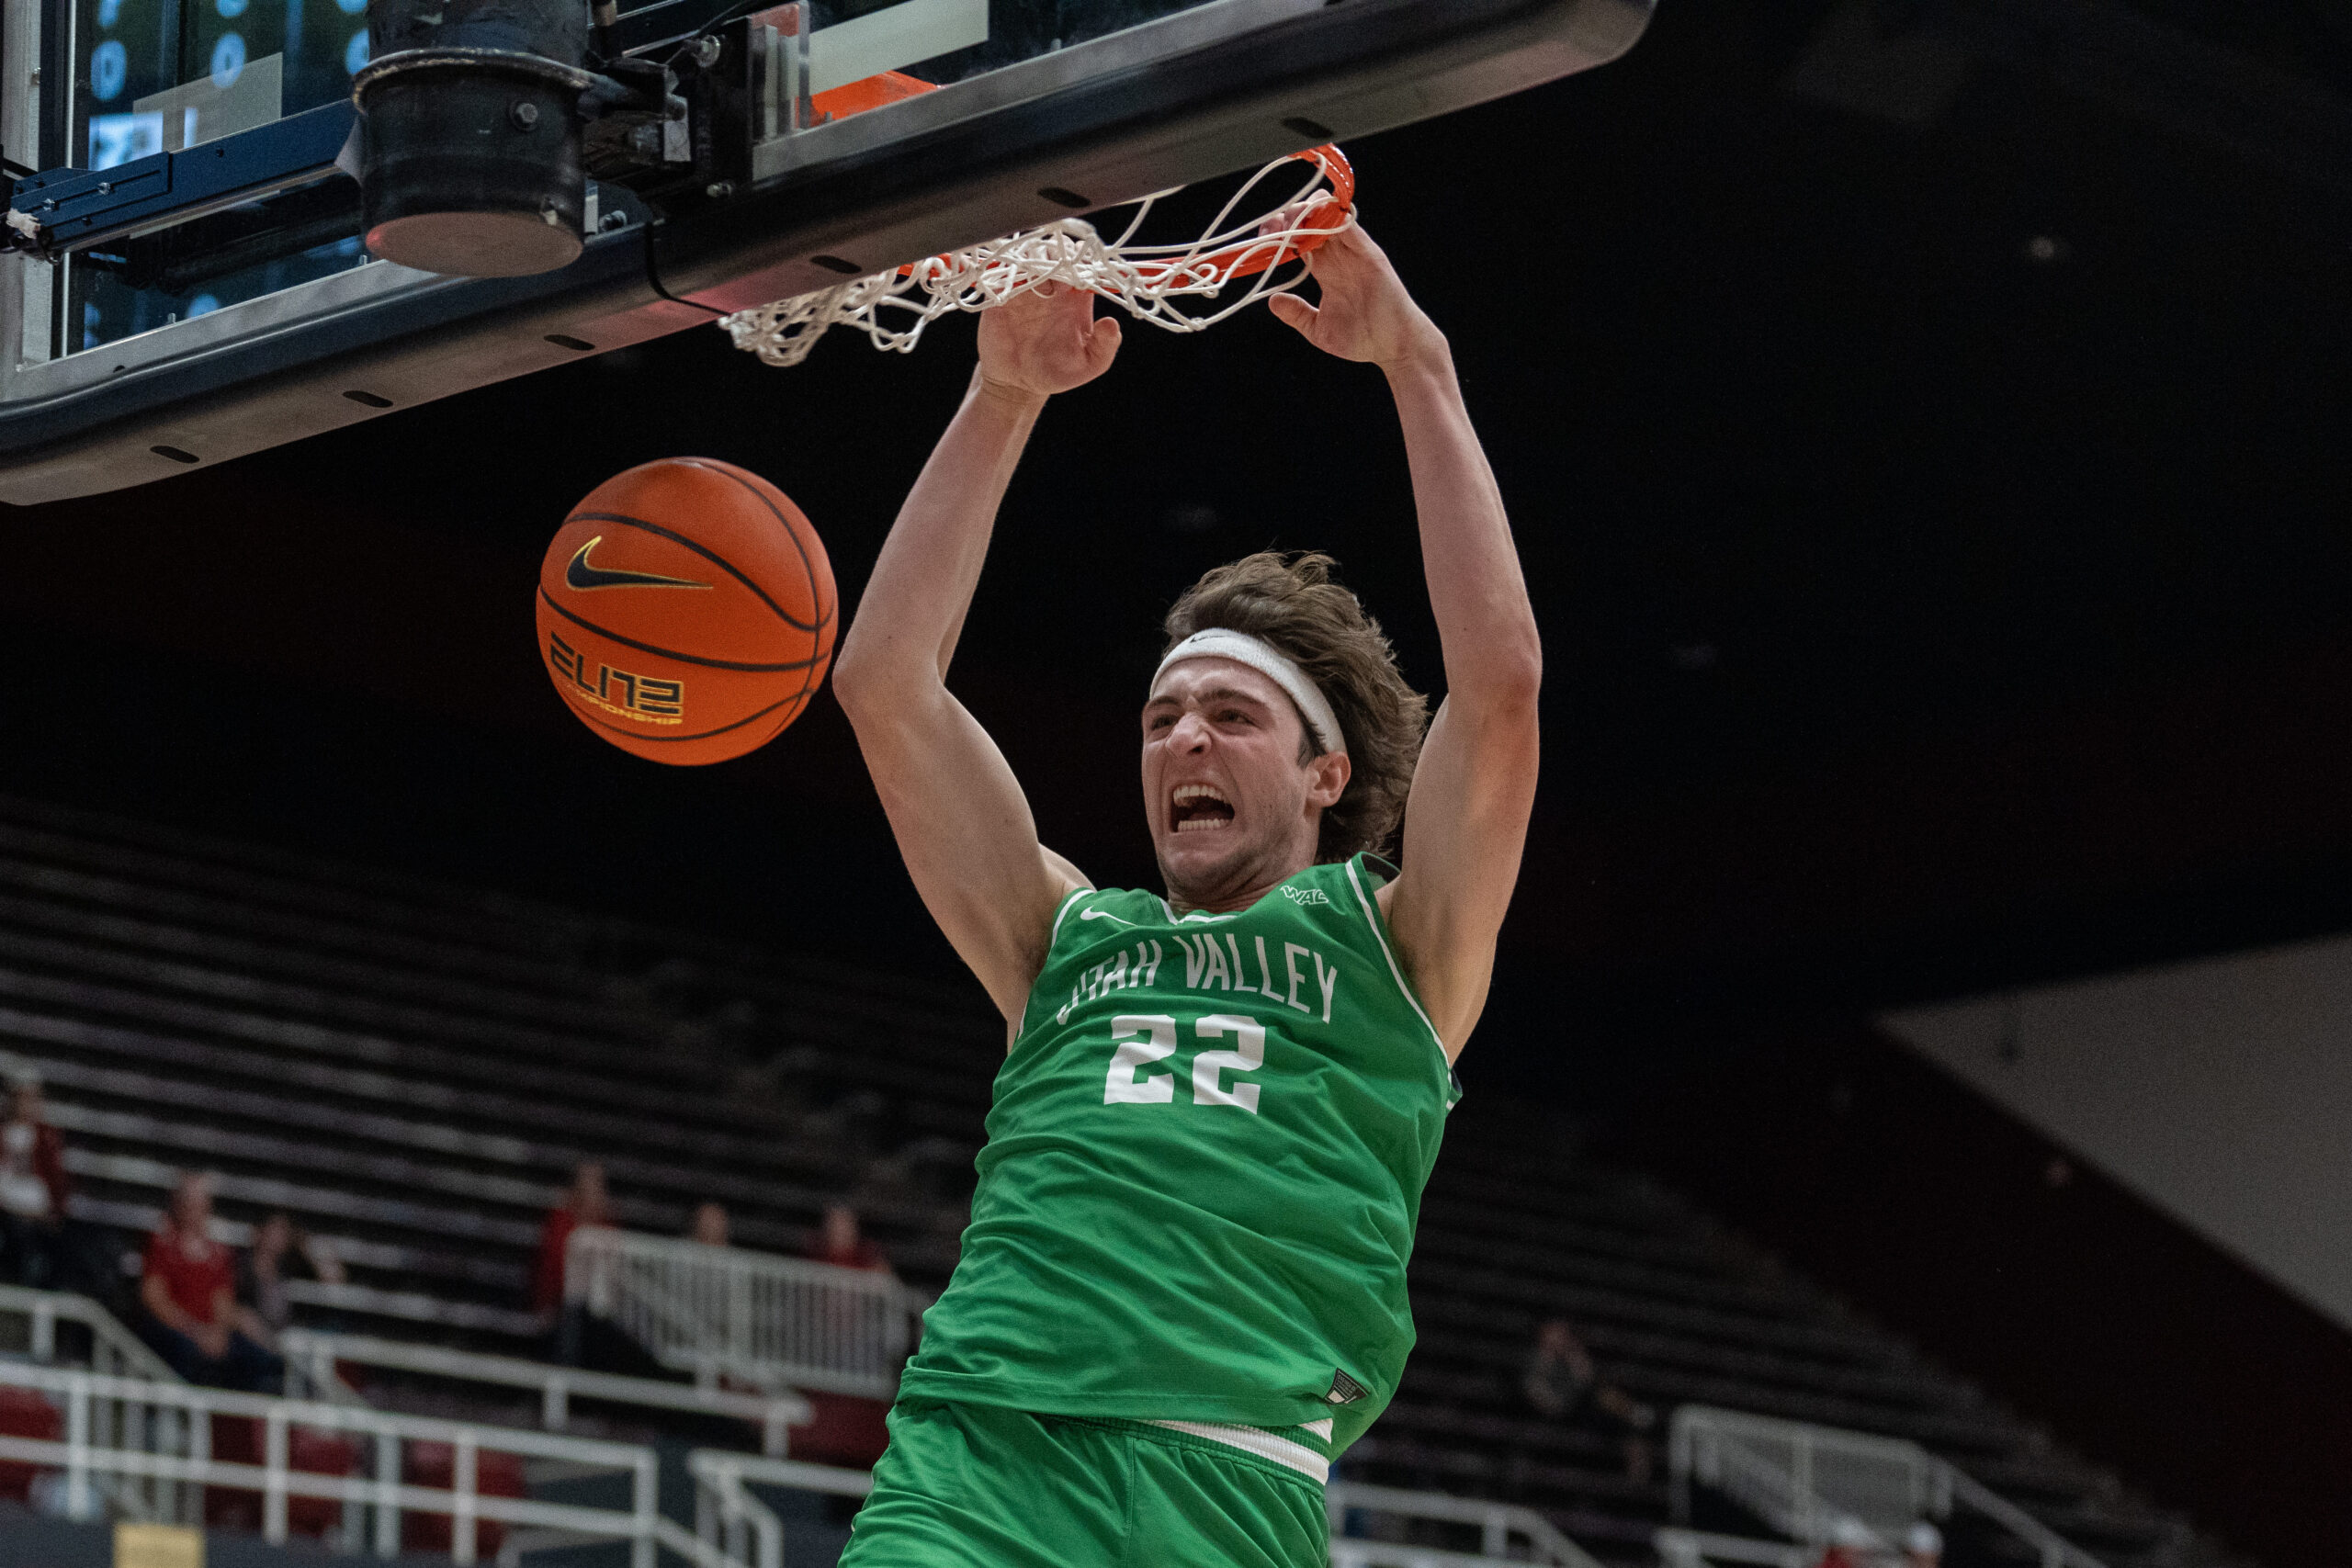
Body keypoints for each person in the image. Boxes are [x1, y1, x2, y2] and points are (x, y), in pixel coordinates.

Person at [830, 222, 1541, 1567]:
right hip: (978, 1457)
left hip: (1223, 1487)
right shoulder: (1064, 936)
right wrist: (1003, 395)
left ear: (1328, 768)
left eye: (1228, 712)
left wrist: (1420, 368)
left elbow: (1499, 685)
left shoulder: (1400, 947)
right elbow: (887, 684)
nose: (1182, 739)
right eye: (1160, 717)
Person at [137, 1172, 282, 1391]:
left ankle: (239, 1421)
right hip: (178, 1332)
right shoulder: (162, 1244)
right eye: (189, 1203)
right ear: (178, 1203)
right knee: (184, 1353)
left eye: (200, 1203)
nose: (195, 1210)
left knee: (257, 1359)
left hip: (207, 1334)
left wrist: (218, 1333)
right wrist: (195, 1331)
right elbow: (155, 1298)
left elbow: (223, 1303)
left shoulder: (218, 1252)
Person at [1522, 1318, 1657, 1484]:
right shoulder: (1536, 1361)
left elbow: (1590, 1381)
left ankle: (1631, 1416)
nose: (1563, 1338)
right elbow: (1545, 1399)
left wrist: (1576, 1359)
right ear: (1544, 1335)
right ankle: (1631, 1413)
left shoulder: (1570, 1358)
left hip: (1584, 1411)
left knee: (1626, 1426)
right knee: (1603, 1404)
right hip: (1560, 1415)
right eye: (1557, 1333)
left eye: (1564, 1333)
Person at [234, 1210, 345, 1349]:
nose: (277, 1236)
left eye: (283, 1231)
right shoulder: (240, 1264)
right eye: (274, 1229)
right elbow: (232, 1309)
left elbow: (334, 1279)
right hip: (246, 1338)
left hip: (282, 1338)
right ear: (260, 1231)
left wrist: (304, 1242)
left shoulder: (290, 1266)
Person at [0, 1072, 69, 1289]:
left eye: (33, 1098)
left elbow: (58, 1184)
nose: (26, 1104)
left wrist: (53, 1212)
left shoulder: (47, 1137)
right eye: (22, 1097)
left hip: (37, 1217)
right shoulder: (3, 1132)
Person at [808, 1203, 892, 1275]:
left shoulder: (867, 1253)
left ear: (854, 1226)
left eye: (844, 1223)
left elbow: (885, 1277)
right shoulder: (816, 1253)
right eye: (834, 1223)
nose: (839, 1230)